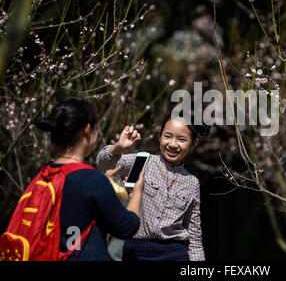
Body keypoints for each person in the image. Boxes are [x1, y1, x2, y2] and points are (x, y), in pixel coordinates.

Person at [33, 98, 144, 260]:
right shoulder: (91, 179)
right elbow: (127, 227)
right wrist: (137, 194)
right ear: (87, 130)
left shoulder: (43, 172)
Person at [96, 111, 209, 261]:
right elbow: (102, 164)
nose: (173, 144)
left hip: (174, 253)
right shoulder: (142, 161)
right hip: (136, 251)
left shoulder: (192, 182)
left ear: (193, 143)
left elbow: (194, 234)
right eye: (167, 136)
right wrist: (118, 147)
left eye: (181, 139)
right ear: (159, 135)